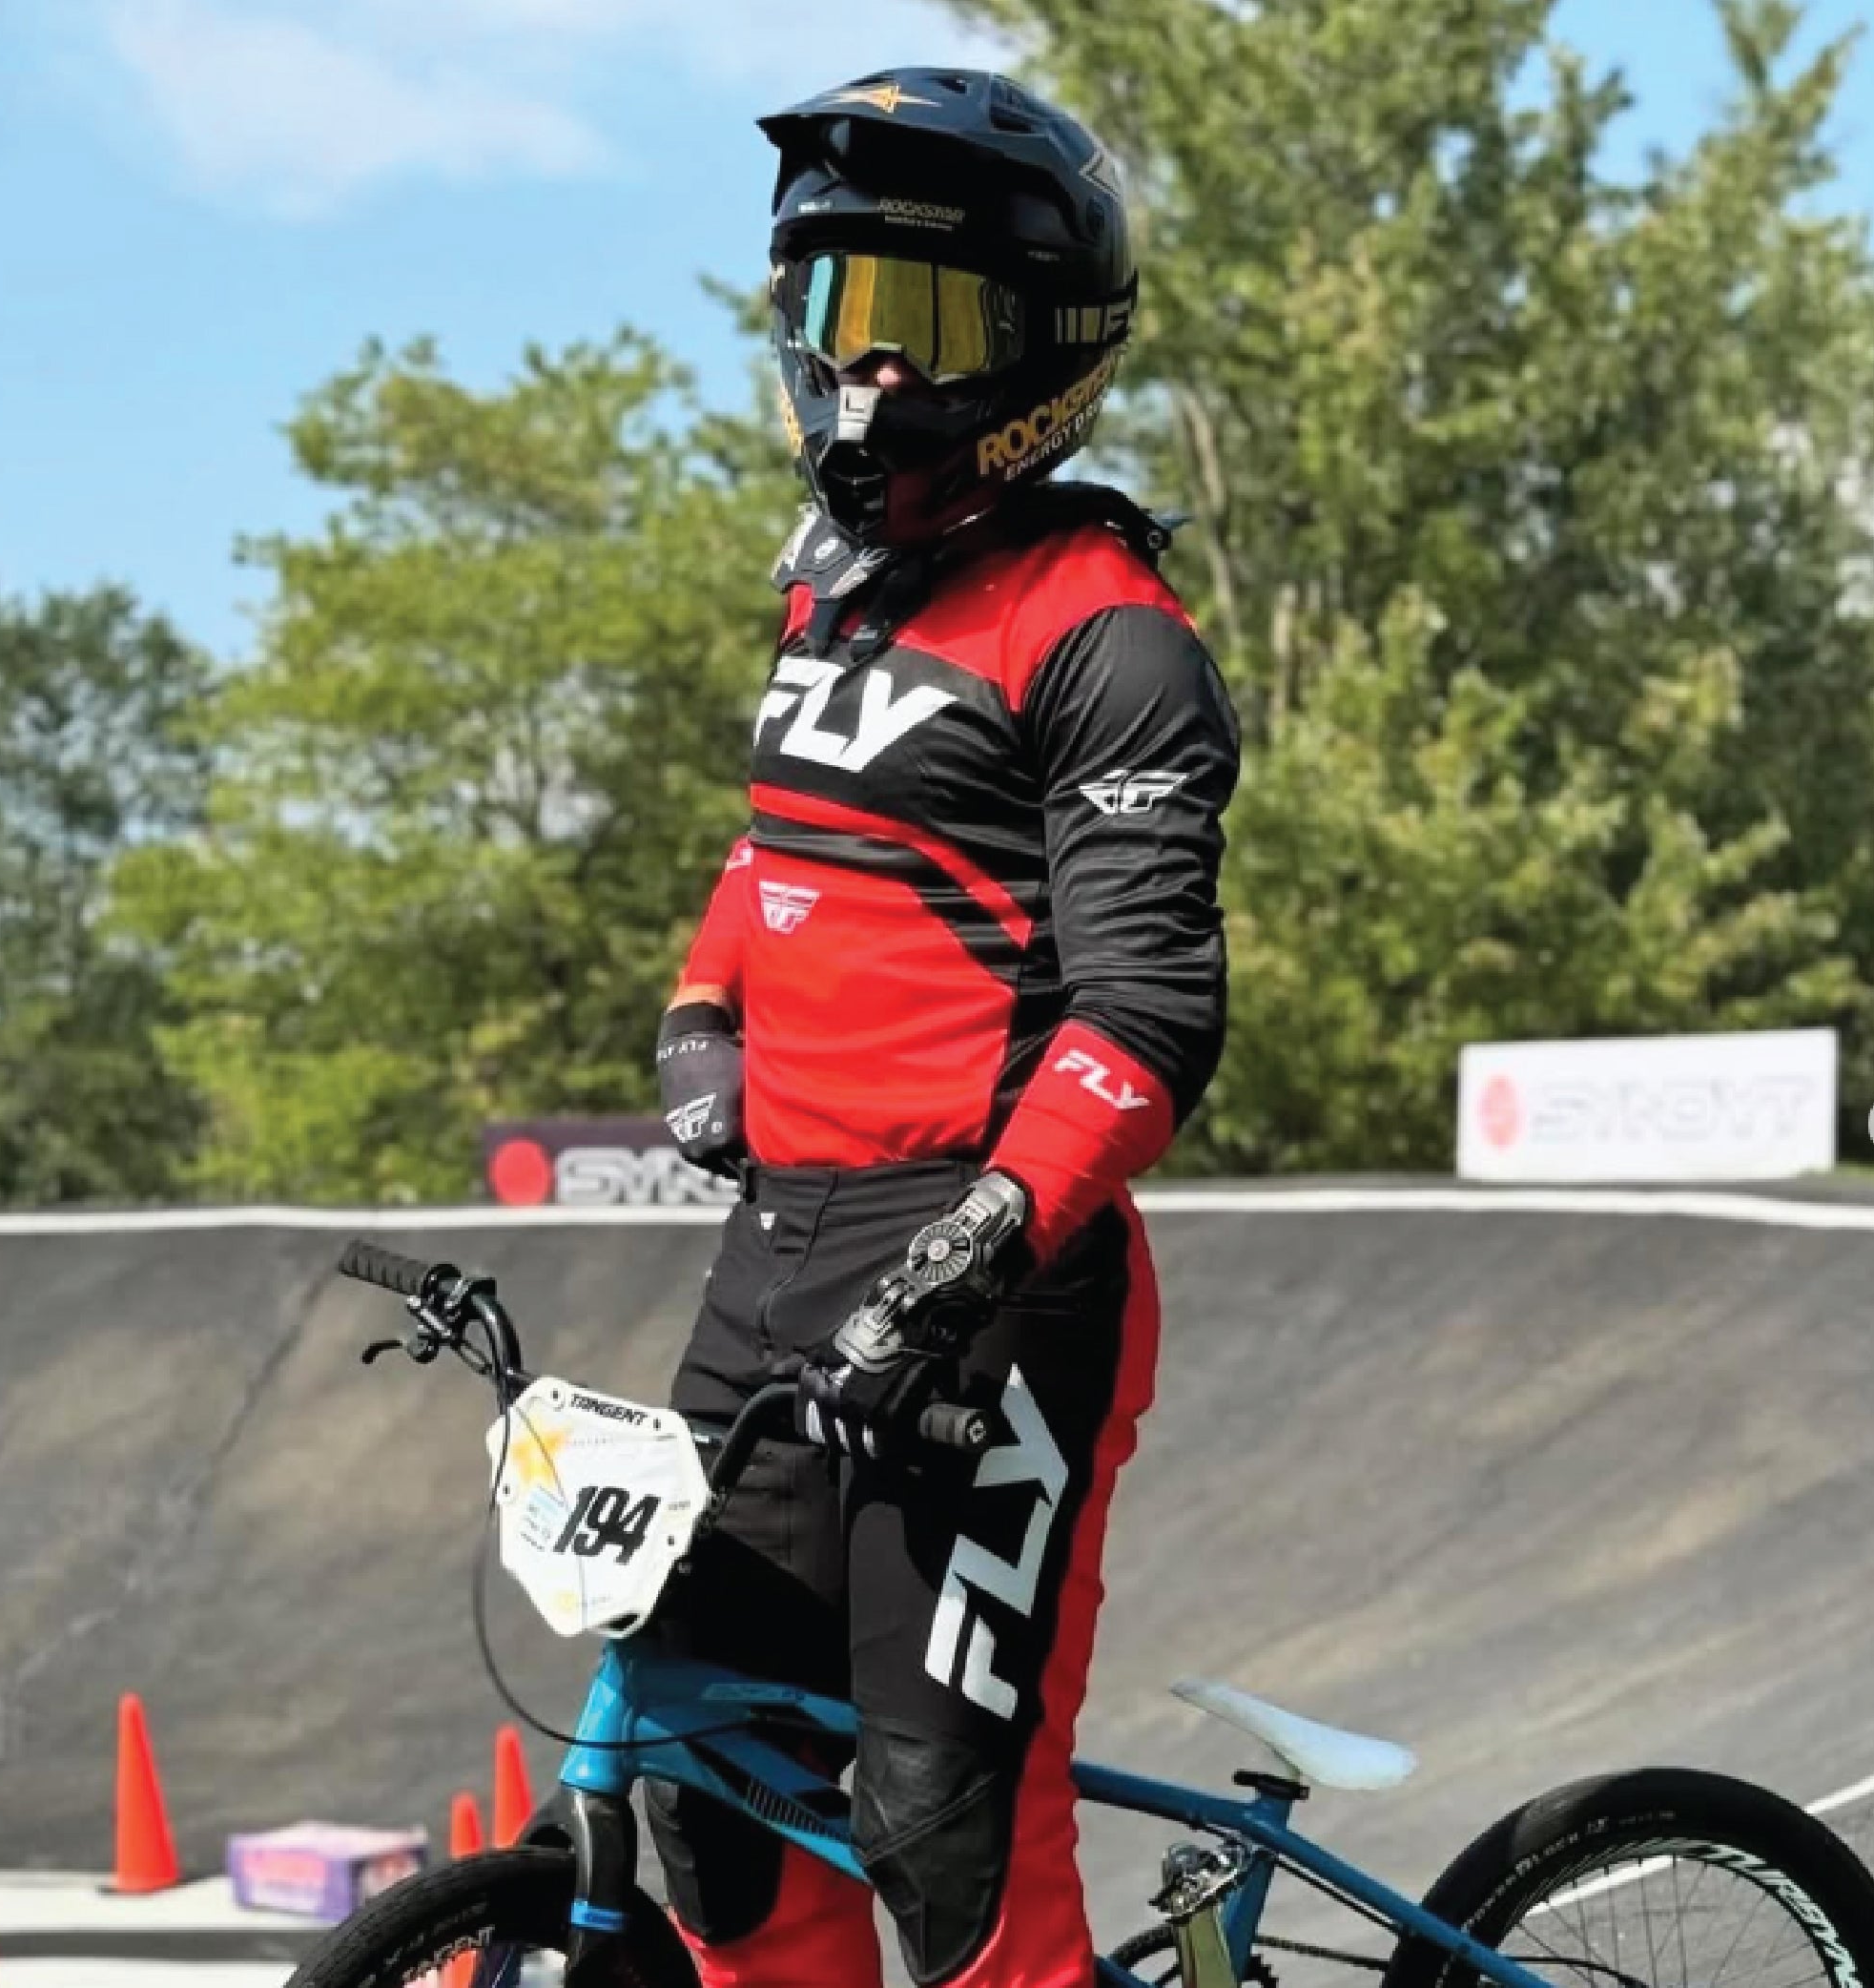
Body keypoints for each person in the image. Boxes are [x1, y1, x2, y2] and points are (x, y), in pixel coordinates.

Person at [648, 65, 1241, 1988]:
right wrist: (702, 1008)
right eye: (840, 311)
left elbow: (1147, 1013)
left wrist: (979, 1243)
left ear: (1046, 353)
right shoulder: (833, 590)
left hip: (996, 1280)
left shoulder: (1107, 630)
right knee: (710, 1789)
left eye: (925, 323)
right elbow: (783, 846)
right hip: (777, 1252)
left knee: (941, 1830)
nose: (870, 372)